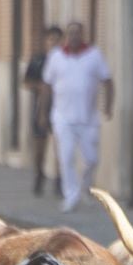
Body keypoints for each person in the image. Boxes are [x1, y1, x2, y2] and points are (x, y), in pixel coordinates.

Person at [39, 21, 112, 213]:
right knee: (67, 157)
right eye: (70, 34)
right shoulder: (56, 57)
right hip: (62, 117)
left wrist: (108, 106)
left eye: (77, 33)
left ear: (83, 35)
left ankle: (85, 188)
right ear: (66, 37)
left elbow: (107, 80)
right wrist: (42, 112)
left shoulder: (94, 55)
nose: (74, 37)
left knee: (91, 158)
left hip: (88, 118)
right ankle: (71, 196)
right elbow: (46, 85)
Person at [21, 25, 63, 195]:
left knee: (61, 146)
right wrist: (40, 86)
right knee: (40, 145)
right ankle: (39, 174)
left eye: (57, 40)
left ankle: (60, 181)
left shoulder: (63, 60)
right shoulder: (38, 60)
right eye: (50, 39)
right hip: (40, 107)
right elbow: (26, 81)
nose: (53, 43)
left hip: (60, 108)